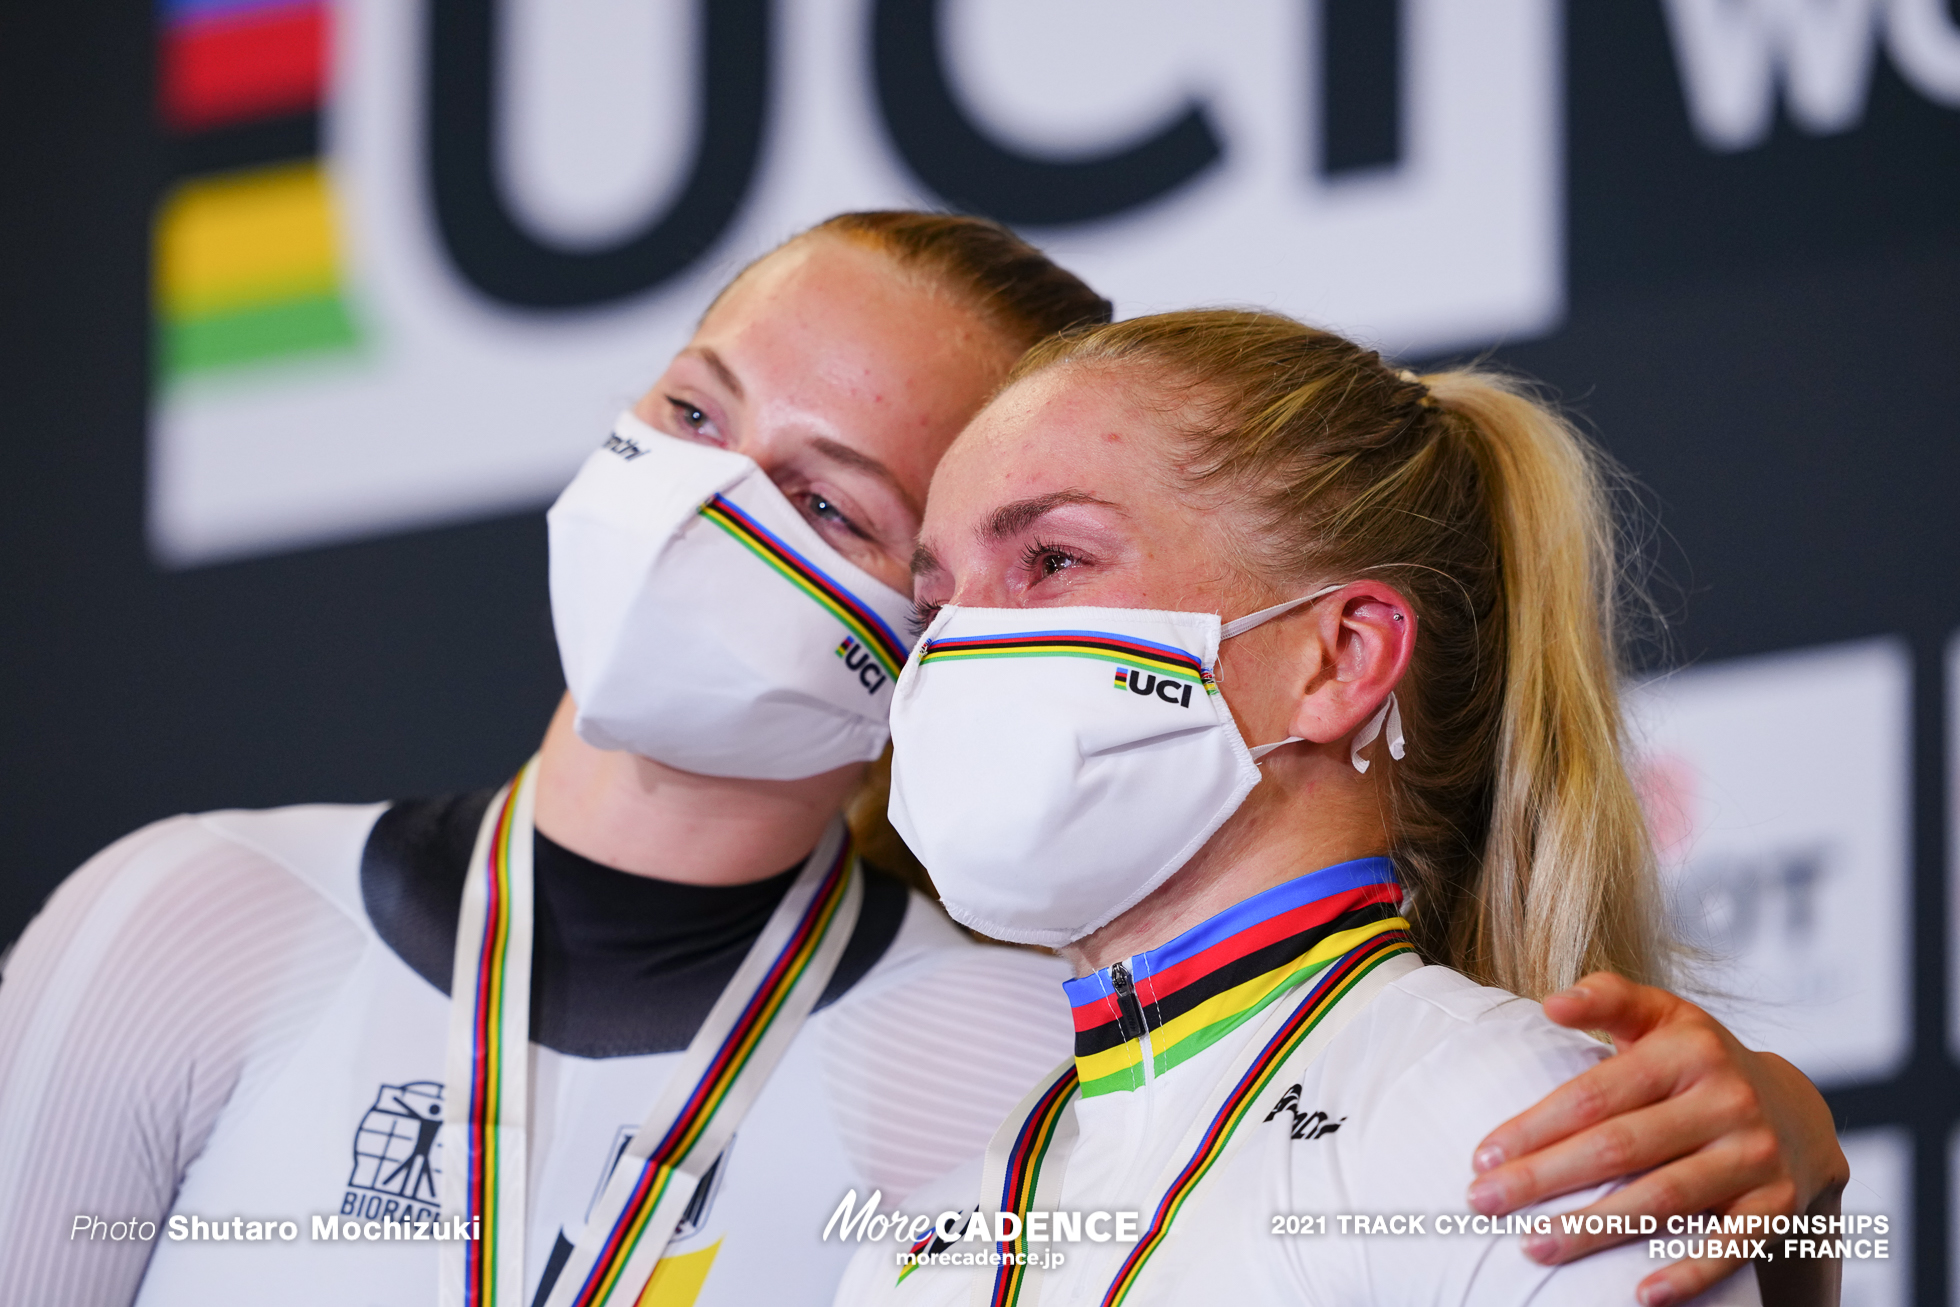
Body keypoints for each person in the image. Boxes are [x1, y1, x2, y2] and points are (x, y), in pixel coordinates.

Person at [0, 226, 1834, 1307]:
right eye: (697, 411)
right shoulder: (192, 916)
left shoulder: (1053, 1068)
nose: (709, 504)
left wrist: (1798, 1189)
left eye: (825, 500)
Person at [845, 308, 1841, 1306]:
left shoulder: (1518, 1120)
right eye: (936, 610)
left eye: (1053, 559)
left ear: (1342, 656)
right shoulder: (919, 1243)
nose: (956, 654)